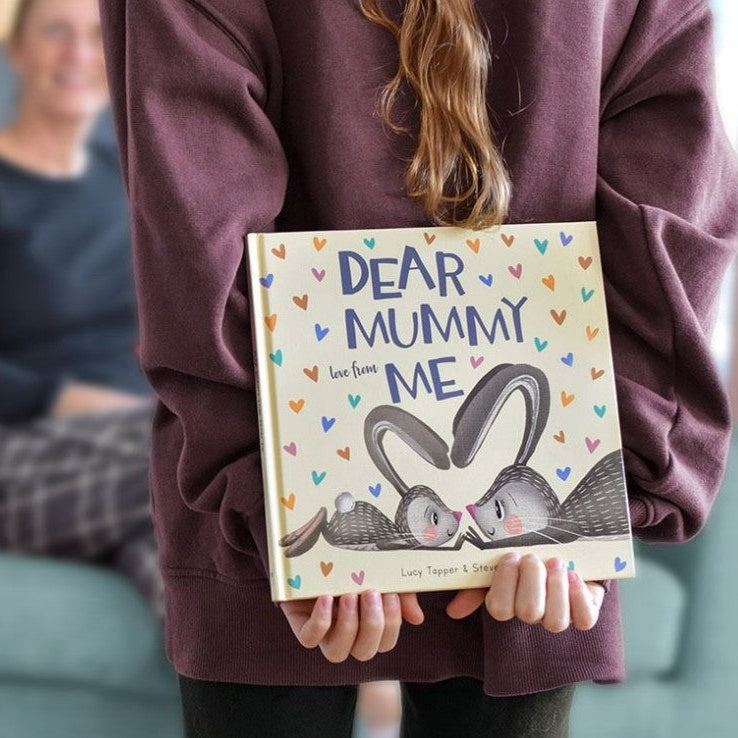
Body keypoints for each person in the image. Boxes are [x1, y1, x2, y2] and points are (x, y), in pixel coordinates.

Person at [97, 0, 738, 736]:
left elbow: (195, 228)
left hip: (306, 498)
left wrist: (283, 506)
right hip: (534, 511)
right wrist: (601, 487)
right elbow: (672, 198)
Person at [0, 0, 163, 622]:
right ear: (16, 52)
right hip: (22, 450)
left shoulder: (127, 187)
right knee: (196, 469)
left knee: (181, 561)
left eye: (97, 35)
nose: (78, 54)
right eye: (54, 32)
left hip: (131, 439)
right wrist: (61, 397)